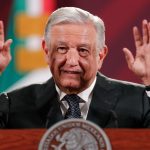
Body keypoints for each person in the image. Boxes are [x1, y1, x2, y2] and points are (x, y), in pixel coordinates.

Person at [0, 7, 150, 128]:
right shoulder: (13, 105)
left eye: (83, 50)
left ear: (100, 56)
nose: (71, 61)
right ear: (46, 51)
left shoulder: (139, 101)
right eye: (62, 49)